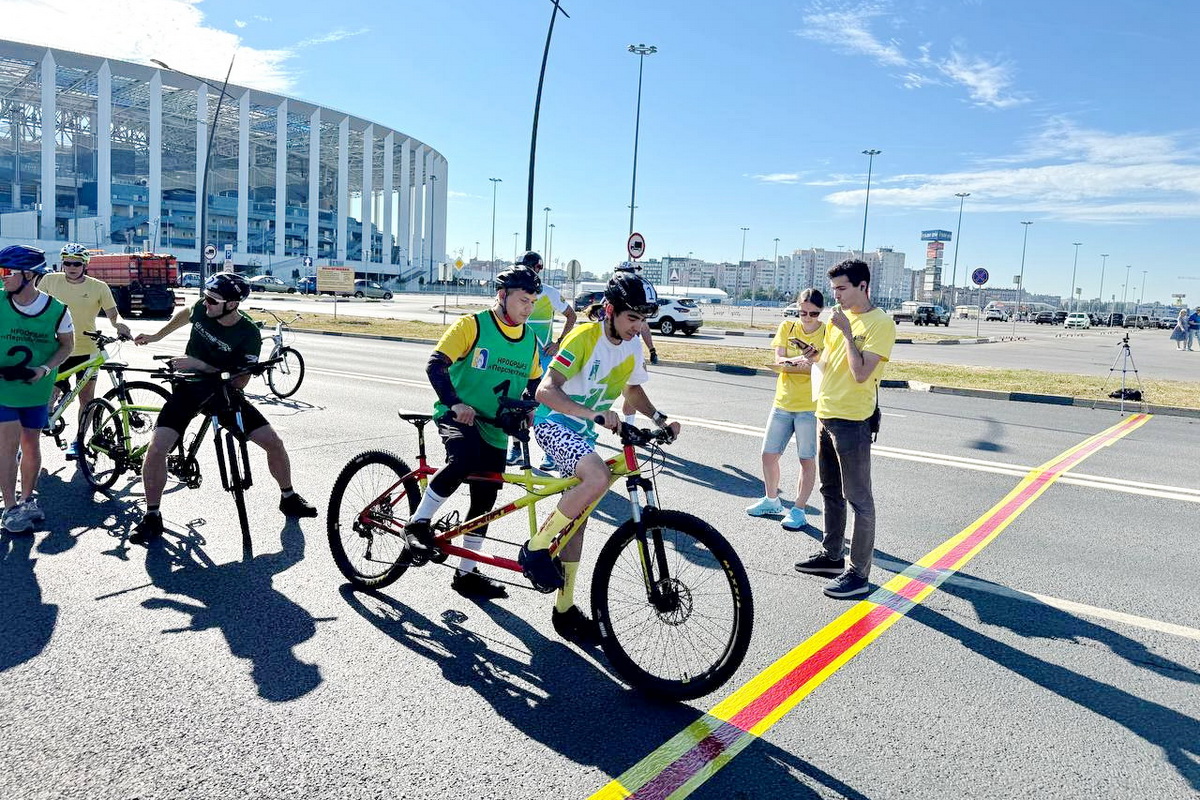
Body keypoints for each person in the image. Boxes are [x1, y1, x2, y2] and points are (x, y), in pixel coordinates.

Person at [519, 272, 681, 645]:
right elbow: (545, 391)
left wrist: (659, 419)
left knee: (579, 521)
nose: (638, 327)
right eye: (631, 318)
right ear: (609, 310)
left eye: (643, 320)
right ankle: (537, 547)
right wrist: (591, 415)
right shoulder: (584, 338)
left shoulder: (632, 346)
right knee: (597, 478)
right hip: (554, 423)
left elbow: (632, 389)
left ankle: (564, 609)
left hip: (583, 431)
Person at [130, 272, 317, 543]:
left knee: (274, 442)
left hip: (223, 393)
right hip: (188, 389)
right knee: (157, 448)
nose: (205, 304)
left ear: (232, 304)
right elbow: (187, 313)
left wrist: (201, 365)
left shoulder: (248, 333)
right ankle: (152, 516)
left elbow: (240, 381)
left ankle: (288, 497)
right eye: (205, 298)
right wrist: (157, 336)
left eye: (212, 300)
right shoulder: (202, 308)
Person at [403, 266, 544, 599]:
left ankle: (466, 575)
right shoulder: (473, 325)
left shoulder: (530, 340)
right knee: (464, 458)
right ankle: (418, 522)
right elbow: (435, 364)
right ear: (502, 296)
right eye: (523, 300)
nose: (528, 308)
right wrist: (454, 403)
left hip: (495, 426)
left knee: (486, 497)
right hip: (459, 417)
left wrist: (528, 406)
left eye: (533, 302)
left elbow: (535, 381)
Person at [793, 259, 895, 599]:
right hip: (826, 413)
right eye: (834, 288)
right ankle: (832, 556)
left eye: (841, 288)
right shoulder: (841, 319)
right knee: (830, 492)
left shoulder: (880, 323)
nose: (835, 296)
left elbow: (861, 372)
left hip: (853, 420)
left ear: (863, 286)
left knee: (859, 500)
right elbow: (831, 364)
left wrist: (848, 334)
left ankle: (858, 574)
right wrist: (814, 355)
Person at [0, 245, 74, 534]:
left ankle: (28, 500)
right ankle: (10, 508)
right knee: (8, 444)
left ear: (29, 275)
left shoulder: (57, 310)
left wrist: (44, 370)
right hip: (3, 387)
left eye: (7, 271)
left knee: (32, 444)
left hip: (35, 388)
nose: (2, 277)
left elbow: (67, 345)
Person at [39, 243, 132, 459]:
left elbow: (114, 314)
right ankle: (36, 436)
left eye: (77, 263)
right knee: (49, 395)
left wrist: (120, 325)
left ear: (85, 264)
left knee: (86, 399)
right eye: (67, 263)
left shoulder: (99, 287)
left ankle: (78, 442)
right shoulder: (49, 280)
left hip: (87, 350)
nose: (71, 267)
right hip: (57, 349)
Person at [746, 288, 826, 531]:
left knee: (806, 459)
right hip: (782, 401)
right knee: (768, 455)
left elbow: (827, 363)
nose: (807, 317)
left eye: (813, 313)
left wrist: (811, 360)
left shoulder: (827, 331)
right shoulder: (787, 328)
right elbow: (778, 358)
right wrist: (795, 362)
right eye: (803, 312)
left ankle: (799, 510)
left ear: (820, 311)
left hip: (809, 406)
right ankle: (771, 500)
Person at [506, 251, 576, 470]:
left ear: (538, 269)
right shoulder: (511, 293)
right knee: (514, 403)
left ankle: (550, 453)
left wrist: (559, 342)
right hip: (518, 358)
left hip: (543, 359)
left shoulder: (549, 293)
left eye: (531, 269)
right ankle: (516, 449)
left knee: (546, 404)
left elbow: (571, 316)